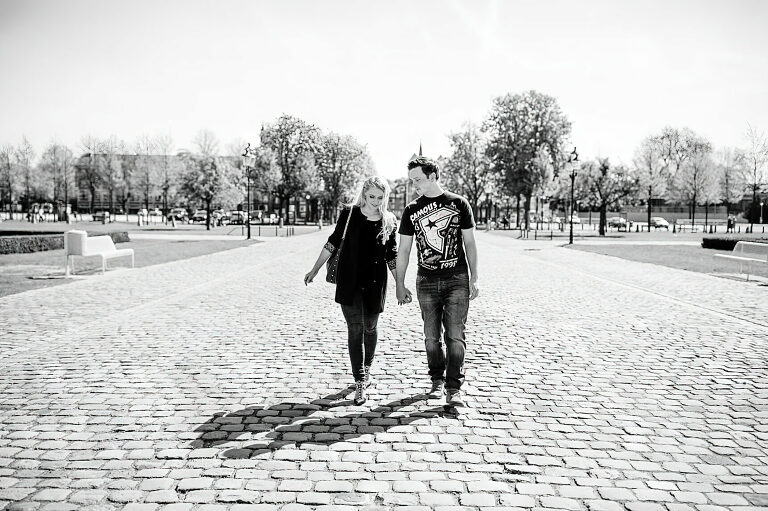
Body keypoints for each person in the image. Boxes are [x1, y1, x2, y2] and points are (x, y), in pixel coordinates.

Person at [304, 176, 398, 405]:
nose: (376, 201)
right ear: (364, 194)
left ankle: (367, 369)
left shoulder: (389, 220)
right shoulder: (349, 215)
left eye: (380, 197)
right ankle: (360, 381)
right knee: (355, 330)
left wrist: (401, 284)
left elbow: (391, 256)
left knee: (370, 327)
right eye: (371, 196)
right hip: (350, 281)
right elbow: (333, 242)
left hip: (376, 283)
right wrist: (315, 269)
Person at [396, 156, 480, 408]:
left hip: (457, 279)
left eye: (418, 180)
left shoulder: (459, 203)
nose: (415, 186)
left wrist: (474, 278)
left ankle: (453, 387)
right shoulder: (411, 210)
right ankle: (437, 377)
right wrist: (399, 284)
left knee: (455, 335)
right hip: (426, 281)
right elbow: (404, 250)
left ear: (433, 176)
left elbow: (470, 243)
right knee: (431, 336)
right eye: (412, 181)